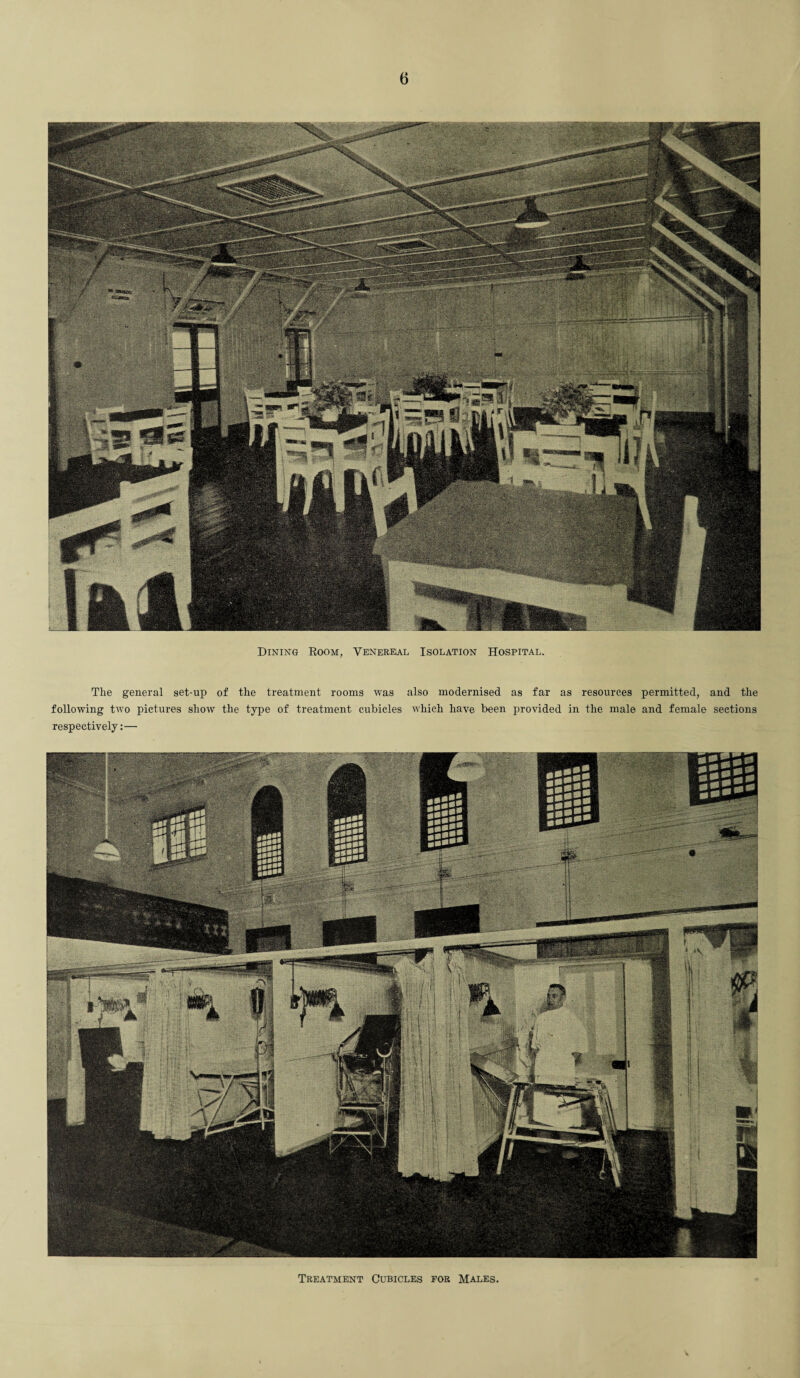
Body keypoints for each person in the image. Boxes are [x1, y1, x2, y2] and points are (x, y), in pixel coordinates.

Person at [528, 983, 588, 1137]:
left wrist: (565, 1061)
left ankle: (568, 1142)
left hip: (562, 1070)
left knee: (564, 1105)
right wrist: (541, 1062)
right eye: (548, 995)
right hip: (543, 1068)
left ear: (563, 998)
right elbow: (534, 1046)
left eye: (554, 996)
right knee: (543, 1106)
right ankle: (544, 1141)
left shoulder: (570, 1018)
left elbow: (581, 1045)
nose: (550, 999)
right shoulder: (541, 1018)